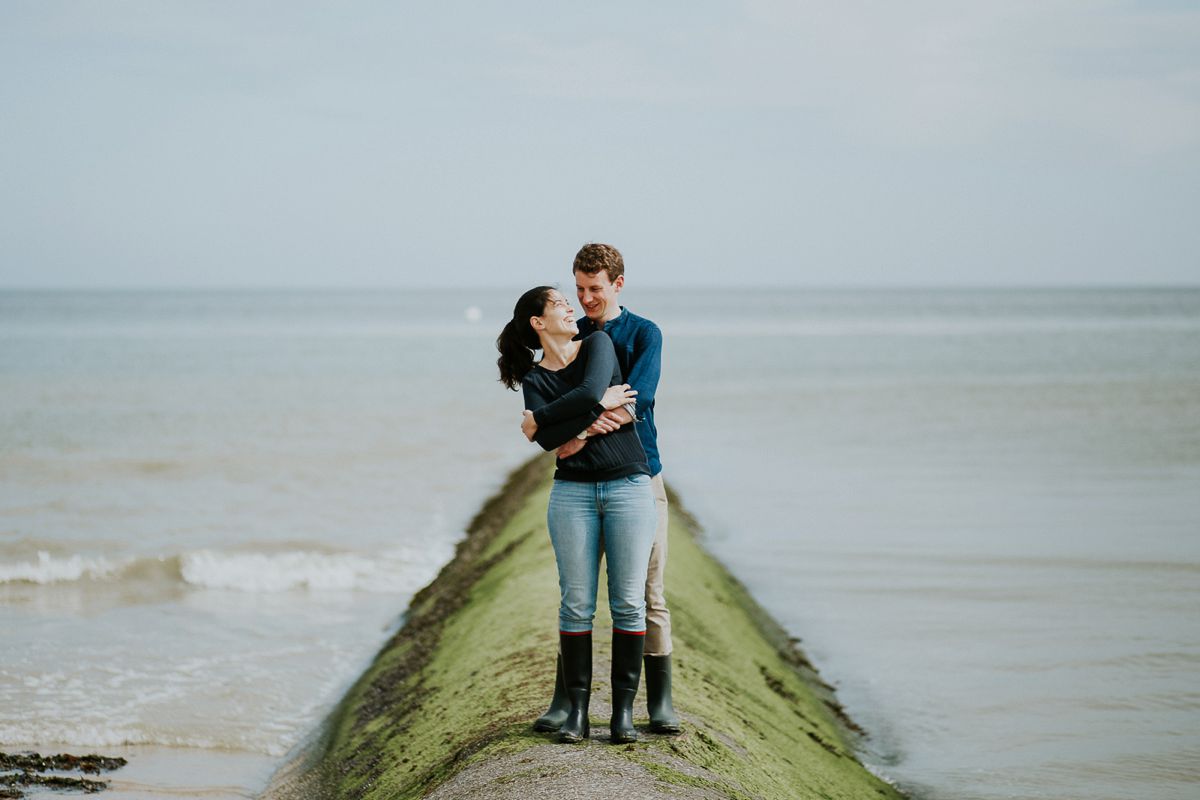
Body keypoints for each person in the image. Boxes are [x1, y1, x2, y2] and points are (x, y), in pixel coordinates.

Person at [496, 286, 658, 744]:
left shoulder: (598, 344)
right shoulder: (533, 377)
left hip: (628, 483)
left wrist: (550, 421)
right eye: (561, 302)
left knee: (628, 601)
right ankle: (578, 714)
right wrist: (591, 418)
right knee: (576, 603)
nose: (572, 306)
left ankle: (622, 715)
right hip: (571, 494)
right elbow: (550, 440)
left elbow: (569, 406)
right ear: (538, 322)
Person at [532, 243, 682, 736]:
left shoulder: (643, 333)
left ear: (617, 285)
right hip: (581, 481)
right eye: (578, 288)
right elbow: (558, 406)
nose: (586, 298)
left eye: (594, 288)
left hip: (641, 470)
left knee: (646, 590)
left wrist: (571, 431)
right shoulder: (572, 333)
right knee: (575, 596)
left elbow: (633, 404)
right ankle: (566, 700)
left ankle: (658, 699)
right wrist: (564, 427)